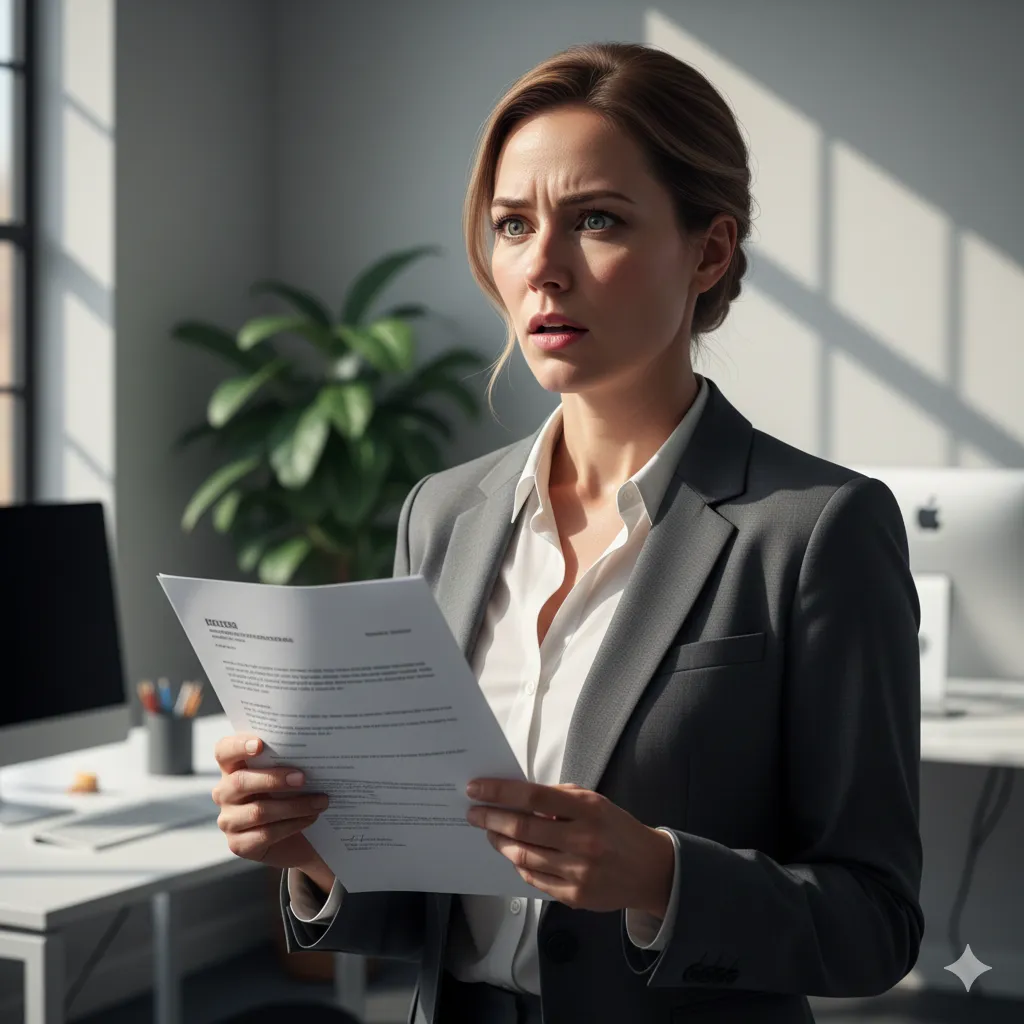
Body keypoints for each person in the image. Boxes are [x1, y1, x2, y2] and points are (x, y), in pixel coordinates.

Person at [211, 41, 924, 1024]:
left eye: (596, 220)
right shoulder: (442, 515)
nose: (541, 267)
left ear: (708, 251)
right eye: (511, 224)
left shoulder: (816, 531)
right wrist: (319, 854)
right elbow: (431, 900)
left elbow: (876, 923)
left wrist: (661, 877)